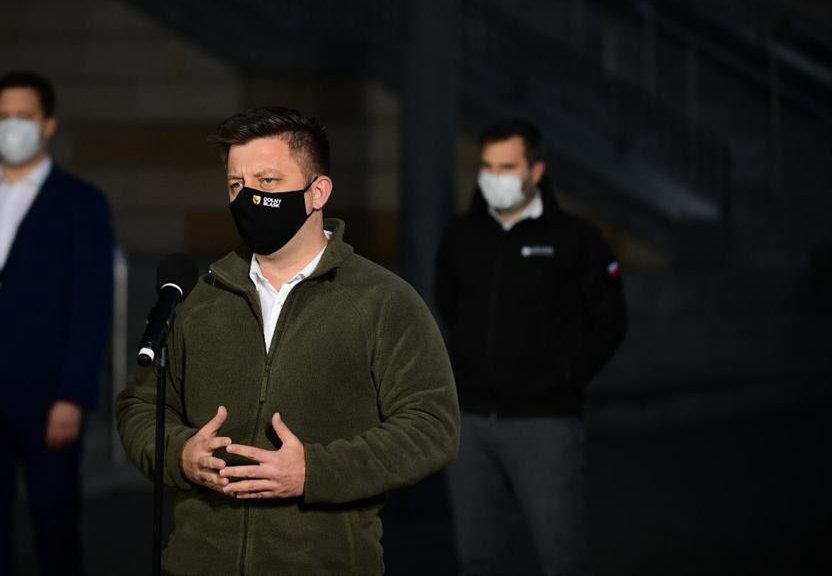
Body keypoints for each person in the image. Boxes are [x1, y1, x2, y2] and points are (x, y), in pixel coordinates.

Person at [116, 106, 460, 575]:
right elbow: (139, 408)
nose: (248, 198)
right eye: (237, 185)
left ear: (317, 192)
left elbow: (432, 425)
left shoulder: (382, 300)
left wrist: (313, 473)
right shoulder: (198, 300)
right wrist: (181, 453)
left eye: (268, 182)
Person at [0, 71, 114, 576]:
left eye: (24, 117)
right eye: (4, 116)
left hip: (47, 395)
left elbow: (91, 306)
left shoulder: (82, 204)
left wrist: (74, 394)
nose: (13, 127)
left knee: (55, 526)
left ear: (48, 124)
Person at [435, 118, 627, 576]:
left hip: (544, 424)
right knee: (478, 558)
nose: (494, 177)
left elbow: (610, 320)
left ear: (536, 170)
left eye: (507, 166)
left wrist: (564, 378)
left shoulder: (574, 239)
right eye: (487, 166)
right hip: (472, 424)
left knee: (561, 555)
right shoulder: (463, 236)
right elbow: (448, 302)